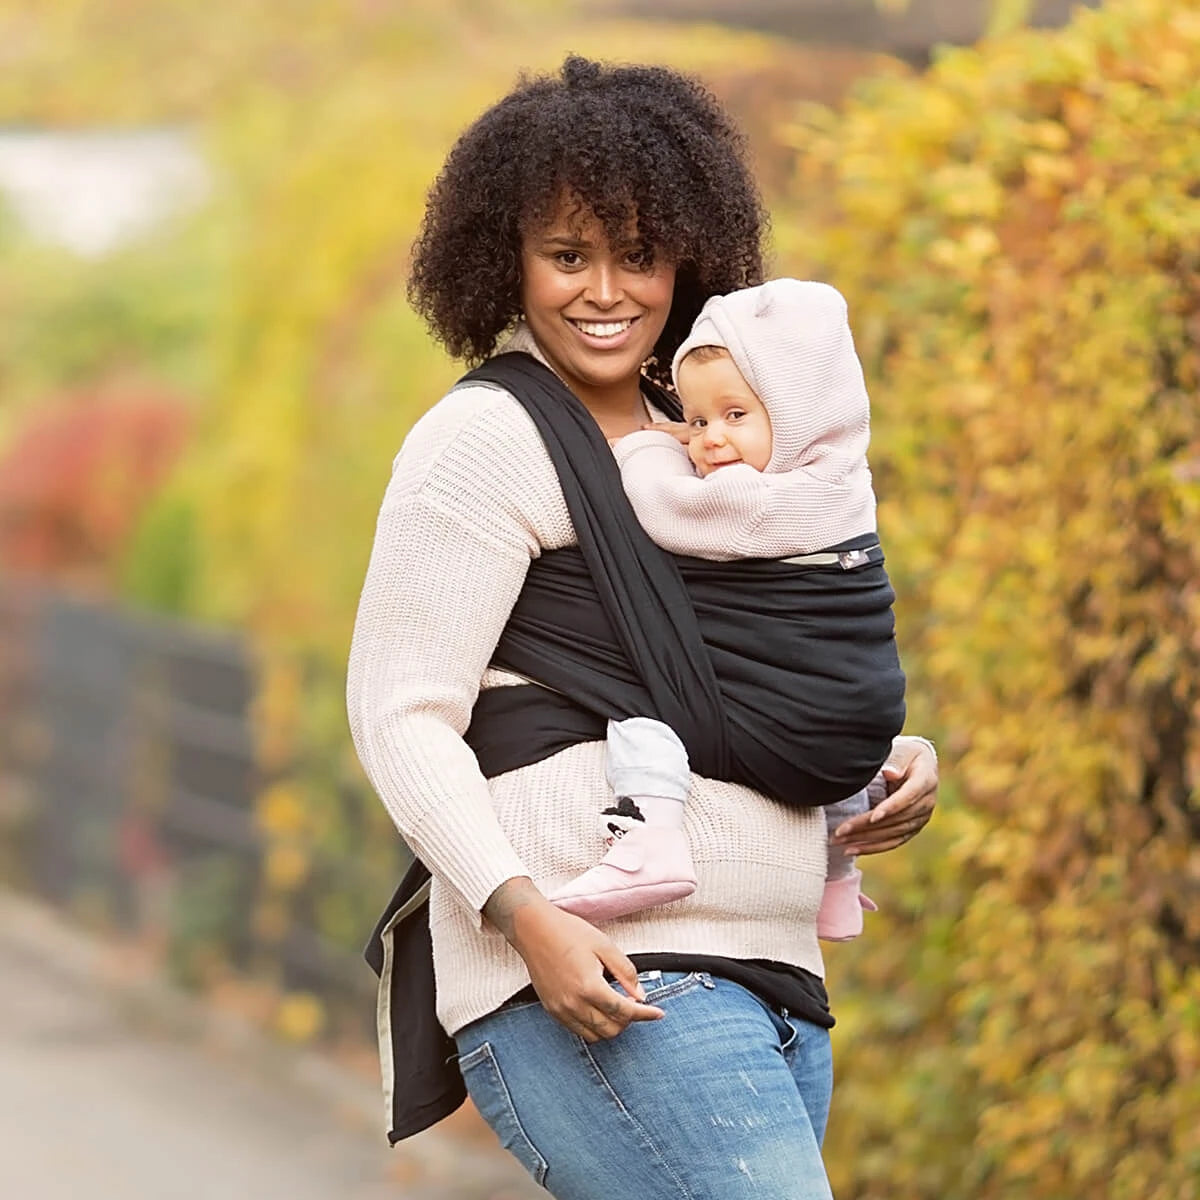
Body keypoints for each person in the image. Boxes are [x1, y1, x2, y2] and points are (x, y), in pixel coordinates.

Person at [347, 55, 937, 1200]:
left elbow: (766, 662)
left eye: (638, 253)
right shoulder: (487, 443)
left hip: (775, 971)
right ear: (503, 261)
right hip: (607, 973)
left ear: (689, 253)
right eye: (567, 255)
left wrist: (875, 761)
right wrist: (525, 918)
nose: (605, 289)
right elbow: (399, 713)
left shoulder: (713, 434)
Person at [549, 279, 902, 941]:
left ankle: (649, 837)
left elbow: (666, 509)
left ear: (797, 411)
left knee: (645, 695)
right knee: (802, 683)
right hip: (862, 713)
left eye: (735, 416)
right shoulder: (843, 479)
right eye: (697, 419)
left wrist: (649, 444)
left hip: (812, 724)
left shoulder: (753, 501)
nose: (708, 441)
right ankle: (837, 878)